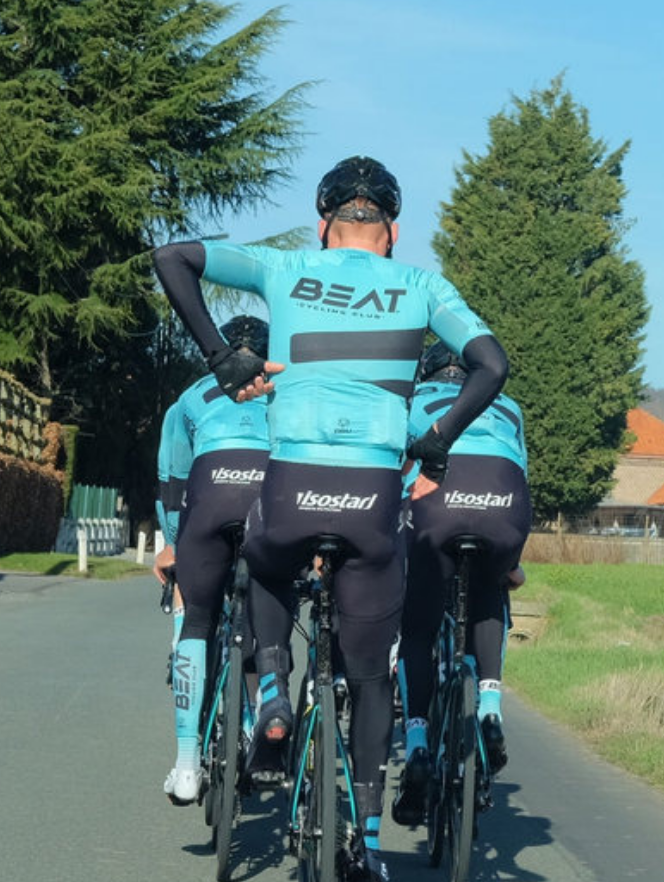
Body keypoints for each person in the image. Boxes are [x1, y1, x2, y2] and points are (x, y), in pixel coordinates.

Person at [152, 156, 509, 882]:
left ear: (323, 226)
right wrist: (436, 443)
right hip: (372, 501)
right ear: (393, 232)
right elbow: (492, 366)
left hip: (291, 490)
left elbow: (172, 257)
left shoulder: (284, 270)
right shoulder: (421, 286)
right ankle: (368, 842)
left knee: (266, 566)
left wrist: (222, 358)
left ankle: (275, 693)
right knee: (371, 674)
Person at [391, 343, 532, 827]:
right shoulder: (507, 406)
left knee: (417, 627)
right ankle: (489, 707)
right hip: (504, 501)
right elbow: (522, 472)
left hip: (437, 505)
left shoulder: (409, 401)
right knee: (496, 587)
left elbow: (393, 479)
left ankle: (415, 745)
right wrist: (511, 562)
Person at [151, 315, 271, 805]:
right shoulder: (280, 390)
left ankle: (185, 765)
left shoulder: (190, 397)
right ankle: (264, 721)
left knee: (196, 619)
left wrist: (176, 545)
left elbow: (171, 483)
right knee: (271, 613)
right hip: (270, 504)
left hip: (208, 499)